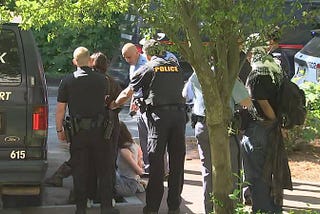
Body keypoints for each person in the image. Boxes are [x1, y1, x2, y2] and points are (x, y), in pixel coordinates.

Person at [111, 39, 186, 214]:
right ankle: (174, 207)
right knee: (177, 164)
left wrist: (114, 104)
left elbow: (127, 93)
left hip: (159, 119)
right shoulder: (177, 66)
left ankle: (152, 208)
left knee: (157, 163)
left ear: (146, 53)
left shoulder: (148, 68)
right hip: (179, 117)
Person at [56, 47, 119, 214]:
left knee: (80, 170)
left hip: (78, 133)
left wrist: (59, 130)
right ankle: (107, 207)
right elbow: (106, 101)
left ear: (74, 62)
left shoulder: (67, 81)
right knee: (104, 169)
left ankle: (81, 208)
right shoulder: (102, 80)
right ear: (90, 61)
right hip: (100, 132)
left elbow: (60, 109)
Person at [182, 71, 253, 214]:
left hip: (202, 126)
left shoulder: (196, 73)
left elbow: (185, 95)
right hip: (224, 128)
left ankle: (210, 209)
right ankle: (231, 209)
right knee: (232, 170)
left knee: (208, 171)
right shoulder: (227, 75)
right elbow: (247, 102)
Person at [241, 45, 292, 213]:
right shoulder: (276, 70)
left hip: (260, 128)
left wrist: (274, 121)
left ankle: (263, 210)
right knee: (274, 171)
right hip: (273, 130)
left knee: (258, 175)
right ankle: (275, 209)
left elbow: (262, 102)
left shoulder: (257, 74)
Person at [115, 121, 146, 197]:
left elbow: (138, 171)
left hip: (127, 184)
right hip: (131, 182)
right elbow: (140, 166)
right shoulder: (134, 145)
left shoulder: (124, 151)